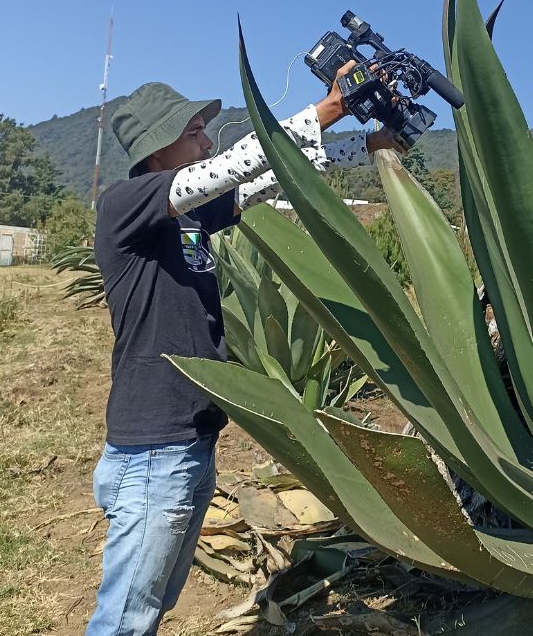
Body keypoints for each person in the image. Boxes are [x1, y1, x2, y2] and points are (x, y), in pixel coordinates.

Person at [87, 63, 400, 636]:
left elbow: (259, 182)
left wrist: (362, 143)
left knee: (146, 611)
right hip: (154, 448)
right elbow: (229, 168)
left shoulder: (181, 218)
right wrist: (324, 110)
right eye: (193, 133)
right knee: (124, 622)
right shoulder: (126, 203)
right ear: (157, 151)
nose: (207, 141)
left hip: (187, 439)